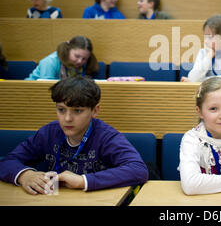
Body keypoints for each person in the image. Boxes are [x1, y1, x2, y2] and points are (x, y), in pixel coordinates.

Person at [0, 76, 148, 194]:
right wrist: (24, 175)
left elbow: (138, 169)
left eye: (77, 111)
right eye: (61, 110)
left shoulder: (106, 137)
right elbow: (7, 161)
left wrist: (83, 181)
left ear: (95, 111)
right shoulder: (48, 133)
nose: (67, 119)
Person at [181, 15, 221, 83]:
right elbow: (193, 79)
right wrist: (209, 56)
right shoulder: (203, 52)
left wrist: (203, 81)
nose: (205, 41)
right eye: (205, 37)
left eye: (210, 37)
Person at [25, 36, 100, 80]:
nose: (80, 61)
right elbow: (47, 87)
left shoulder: (87, 63)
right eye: (76, 56)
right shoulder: (50, 62)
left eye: (84, 59)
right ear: (68, 49)